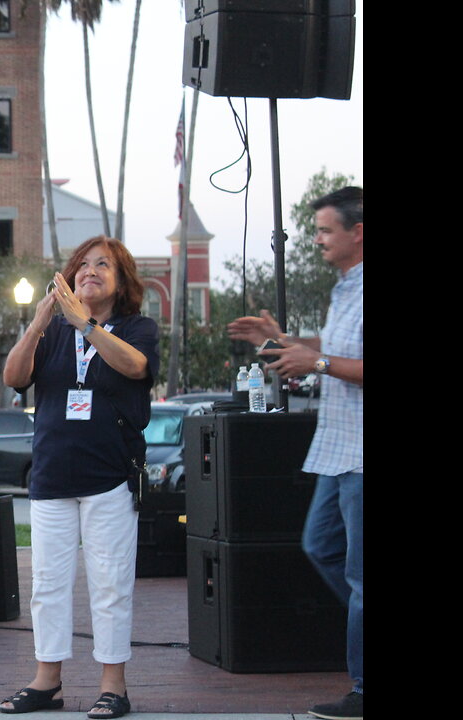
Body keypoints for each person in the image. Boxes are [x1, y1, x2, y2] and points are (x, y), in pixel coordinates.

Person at [0, 236, 159, 718]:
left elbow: (134, 366)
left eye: (102, 265)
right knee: (47, 583)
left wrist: (84, 324)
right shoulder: (50, 333)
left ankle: (114, 686)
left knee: (110, 583)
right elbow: (12, 376)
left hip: (109, 475)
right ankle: (47, 681)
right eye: (82, 265)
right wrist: (40, 321)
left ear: (121, 280)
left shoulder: (136, 327)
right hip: (52, 476)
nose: (90, 271)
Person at [227, 186, 362, 720]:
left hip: (360, 456)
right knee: (321, 547)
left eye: (327, 229)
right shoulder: (343, 289)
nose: (318, 239)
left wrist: (319, 364)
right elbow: (329, 355)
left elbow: (332, 364)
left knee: (358, 578)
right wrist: (280, 340)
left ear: (358, 232)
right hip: (338, 449)